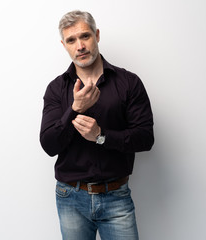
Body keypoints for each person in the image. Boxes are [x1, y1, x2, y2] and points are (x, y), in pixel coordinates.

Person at [40, 10, 154, 240]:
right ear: (64, 45)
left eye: (85, 36)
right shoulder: (56, 89)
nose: (80, 45)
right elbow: (49, 145)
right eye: (71, 40)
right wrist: (75, 109)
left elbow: (145, 138)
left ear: (97, 35)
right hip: (70, 197)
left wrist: (101, 136)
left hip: (116, 197)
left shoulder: (129, 83)